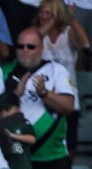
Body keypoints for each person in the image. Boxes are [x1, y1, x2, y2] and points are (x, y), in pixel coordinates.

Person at [0, 27, 75, 169]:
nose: (25, 50)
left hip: (51, 157)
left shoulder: (57, 70)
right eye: (21, 46)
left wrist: (44, 93)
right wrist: (14, 94)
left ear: (41, 48)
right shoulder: (3, 71)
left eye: (31, 46)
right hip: (15, 156)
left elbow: (68, 106)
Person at [35, 0, 89, 160]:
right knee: (42, 143)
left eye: (48, 12)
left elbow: (85, 44)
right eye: (41, 12)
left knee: (69, 146)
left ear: (58, 14)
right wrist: (51, 22)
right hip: (42, 98)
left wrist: (72, 19)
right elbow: (34, 40)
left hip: (68, 97)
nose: (43, 16)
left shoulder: (68, 34)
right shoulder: (38, 35)